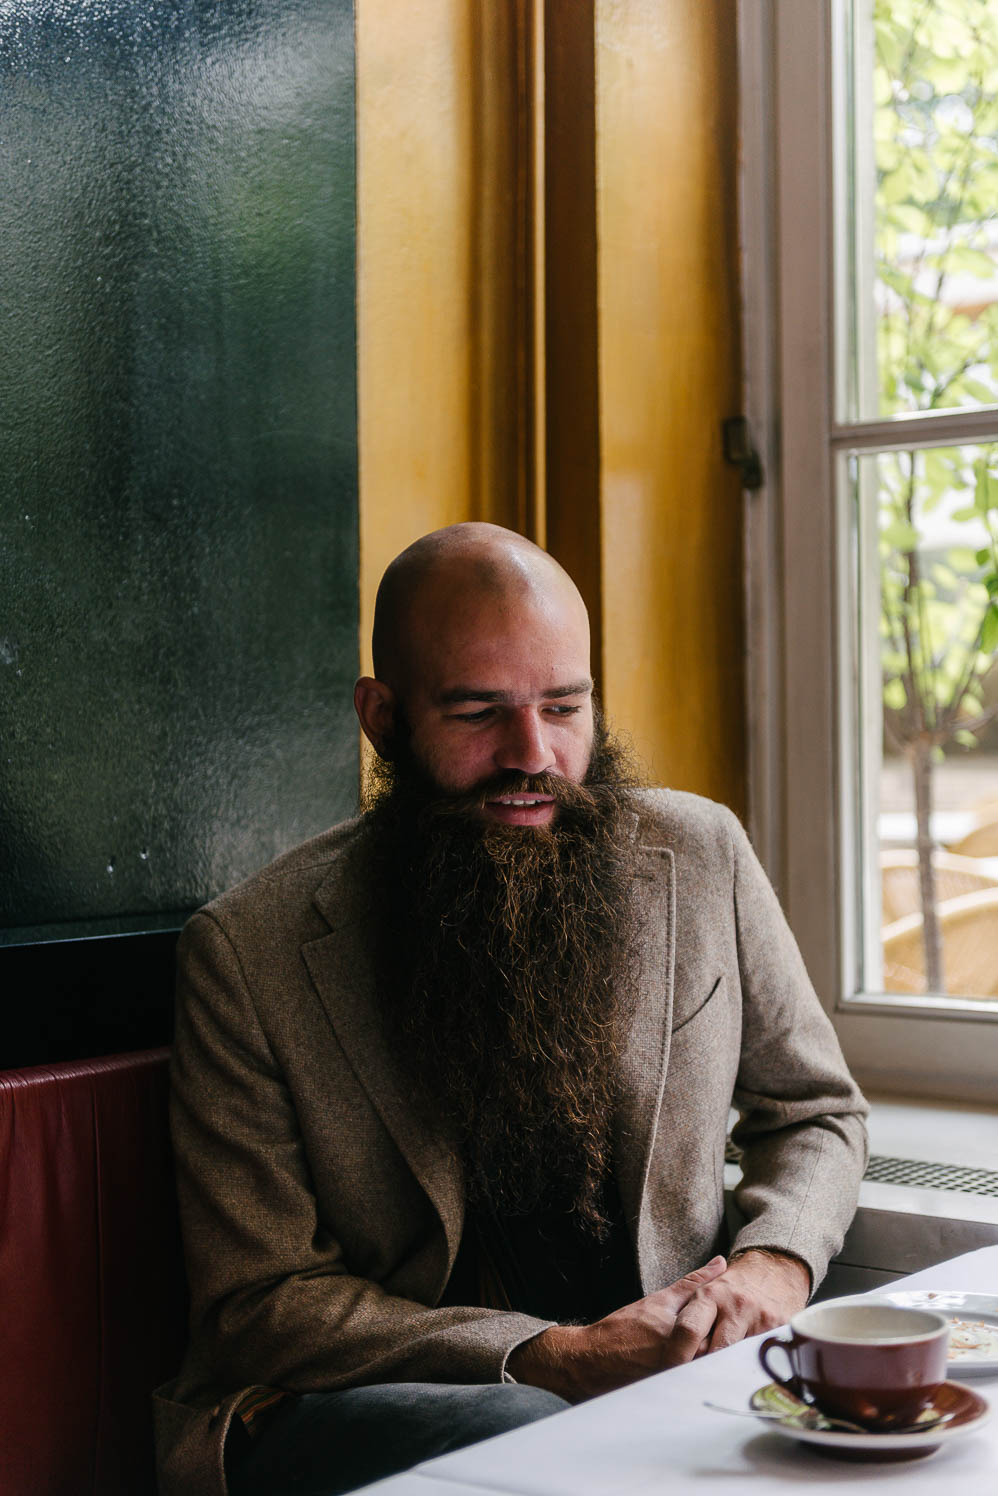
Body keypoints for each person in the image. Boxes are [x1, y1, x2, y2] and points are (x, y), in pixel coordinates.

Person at [154, 523, 868, 1496]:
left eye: (564, 706)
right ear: (382, 717)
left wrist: (771, 1266)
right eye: (477, 711)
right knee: (530, 1428)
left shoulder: (701, 855)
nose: (533, 753)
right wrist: (549, 1356)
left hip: (657, 1379)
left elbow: (816, 1112)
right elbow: (260, 1302)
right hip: (361, 1399)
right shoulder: (247, 951)